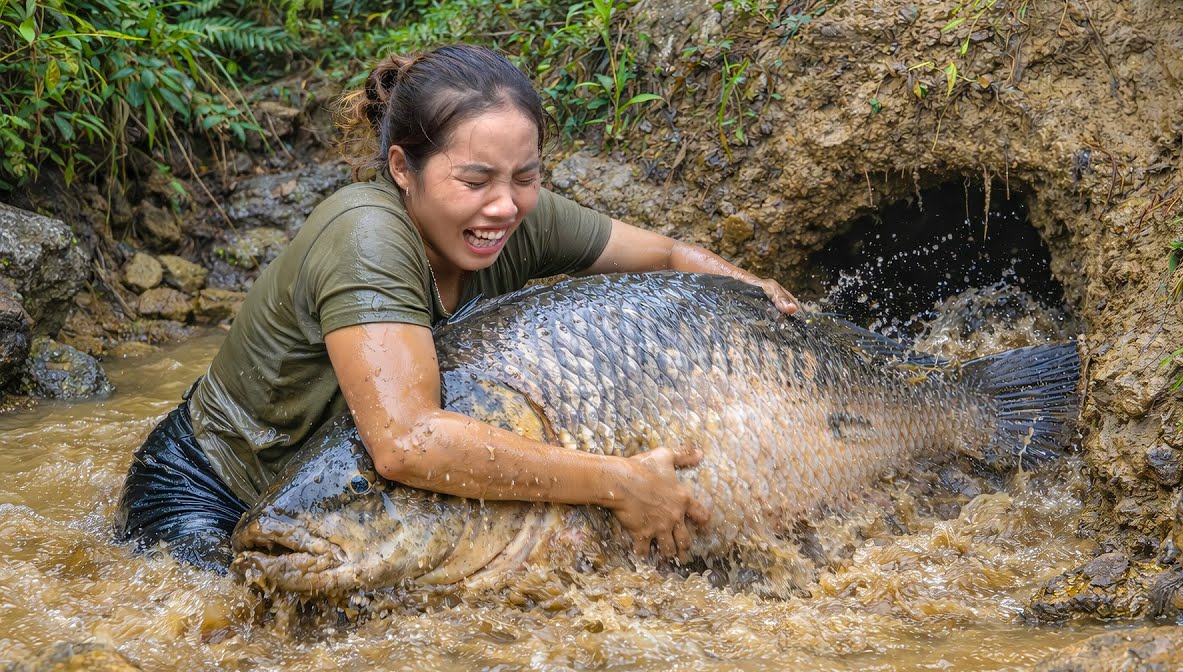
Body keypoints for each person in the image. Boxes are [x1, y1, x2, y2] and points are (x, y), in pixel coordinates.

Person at [114, 44, 799, 572]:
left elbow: (672, 256)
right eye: (475, 180)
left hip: (347, 493)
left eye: (525, 177)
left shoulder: (510, 217)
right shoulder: (367, 236)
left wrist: (759, 293)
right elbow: (407, 441)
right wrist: (621, 483)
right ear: (402, 169)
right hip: (216, 494)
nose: (503, 205)